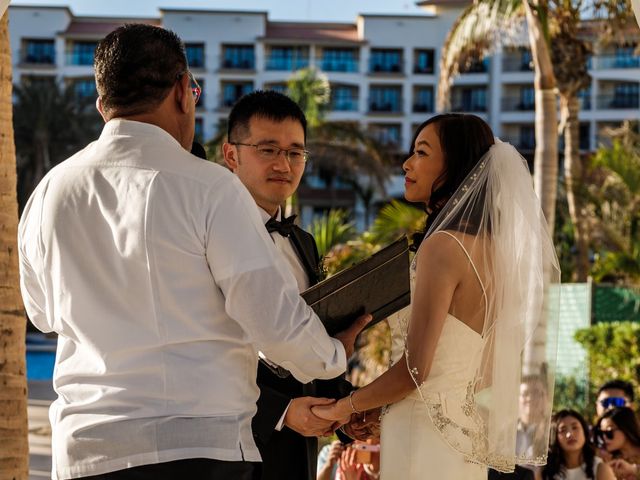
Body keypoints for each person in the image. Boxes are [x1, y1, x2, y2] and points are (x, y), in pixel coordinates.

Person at [18, 24, 368, 480]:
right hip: (197, 448)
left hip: (85, 450)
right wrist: (333, 355)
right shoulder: (209, 187)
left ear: (104, 105)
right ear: (184, 91)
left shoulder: (49, 191)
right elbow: (270, 318)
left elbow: (42, 314)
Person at [314, 113, 560, 479]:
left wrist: (342, 408)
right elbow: (488, 371)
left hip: (420, 433)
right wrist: (382, 408)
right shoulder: (497, 257)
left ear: (456, 163)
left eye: (421, 153)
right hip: (463, 436)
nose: (407, 163)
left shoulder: (441, 247)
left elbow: (415, 371)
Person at [222, 90, 353, 480]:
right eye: (268, 149)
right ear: (232, 155)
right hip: (236, 446)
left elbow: (310, 337)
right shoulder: (212, 236)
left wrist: (346, 411)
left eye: (295, 152)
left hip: (301, 452)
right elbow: (202, 348)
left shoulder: (304, 241)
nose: (284, 164)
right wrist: (279, 413)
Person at [541, 410, 615, 480]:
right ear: (554, 437)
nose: (570, 434)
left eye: (575, 427)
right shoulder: (546, 471)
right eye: (562, 430)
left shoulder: (600, 468)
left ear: (584, 431)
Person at [594, 407, 640, 479]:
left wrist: (634, 470)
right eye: (601, 433)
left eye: (609, 432)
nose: (604, 438)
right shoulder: (606, 460)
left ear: (625, 428)